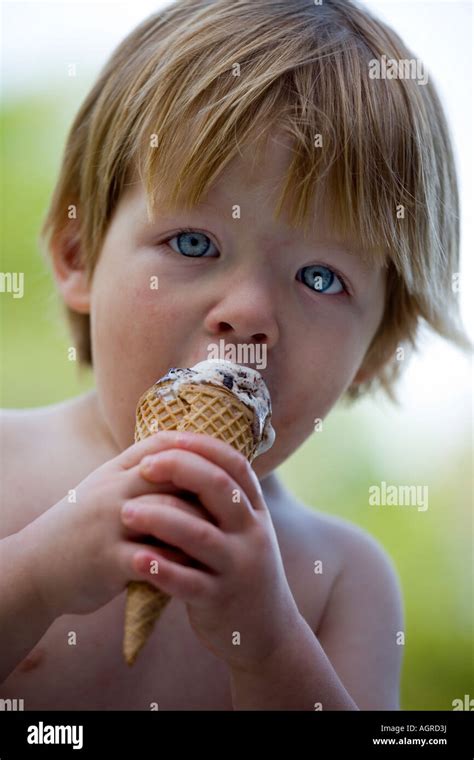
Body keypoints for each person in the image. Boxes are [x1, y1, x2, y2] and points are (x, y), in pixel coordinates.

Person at [0, 0, 469, 710]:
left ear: (378, 352)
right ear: (79, 256)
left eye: (320, 278)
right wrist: (34, 581)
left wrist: (271, 643)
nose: (249, 312)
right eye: (194, 244)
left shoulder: (341, 582)